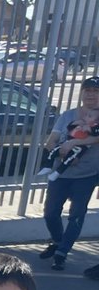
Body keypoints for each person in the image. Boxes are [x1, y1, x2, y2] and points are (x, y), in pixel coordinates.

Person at [37, 75, 99, 271]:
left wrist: (74, 143)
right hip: (61, 173)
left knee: (77, 215)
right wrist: (55, 149)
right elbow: (53, 137)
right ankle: (57, 240)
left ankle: (62, 252)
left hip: (86, 175)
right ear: (82, 93)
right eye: (88, 90)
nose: (91, 95)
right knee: (50, 213)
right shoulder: (68, 115)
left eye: (96, 91)